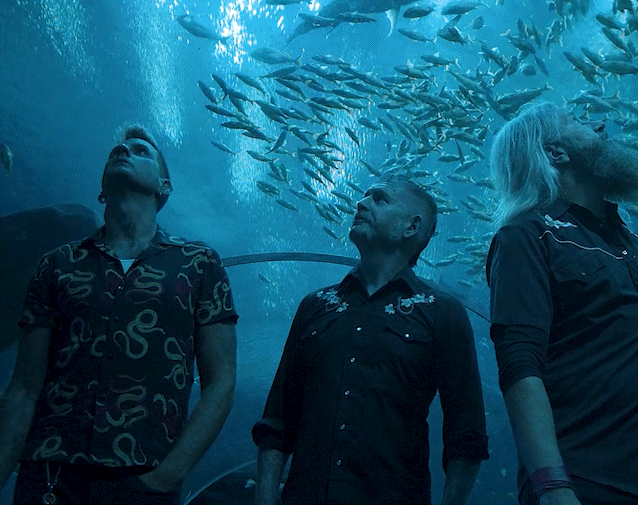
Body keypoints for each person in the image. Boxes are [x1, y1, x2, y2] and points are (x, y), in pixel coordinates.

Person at [485, 102, 638, 506]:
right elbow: (519, 364)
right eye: (577, 120)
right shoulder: (527, 236)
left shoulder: (636, 246)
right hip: (588, 483)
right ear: (556, 153)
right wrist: (552, 486)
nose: (600, 123)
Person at [0, 124, 238, 505]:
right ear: (101, 187)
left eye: (141, 151)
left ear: (164, 187)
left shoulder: (199, 265)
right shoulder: (56, 265)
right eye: (117, 152)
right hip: (49, 475)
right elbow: (24, 387)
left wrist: (167, 477)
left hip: (145, 477)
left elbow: (220, 384)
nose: (124, 152)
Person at [252, 177, 489, 505]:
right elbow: (277, 421)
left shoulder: (442, 312)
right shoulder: (315, 306)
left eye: (380, 199)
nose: (362, 203)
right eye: (364, 196)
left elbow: (467, 435)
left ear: (412, 226)